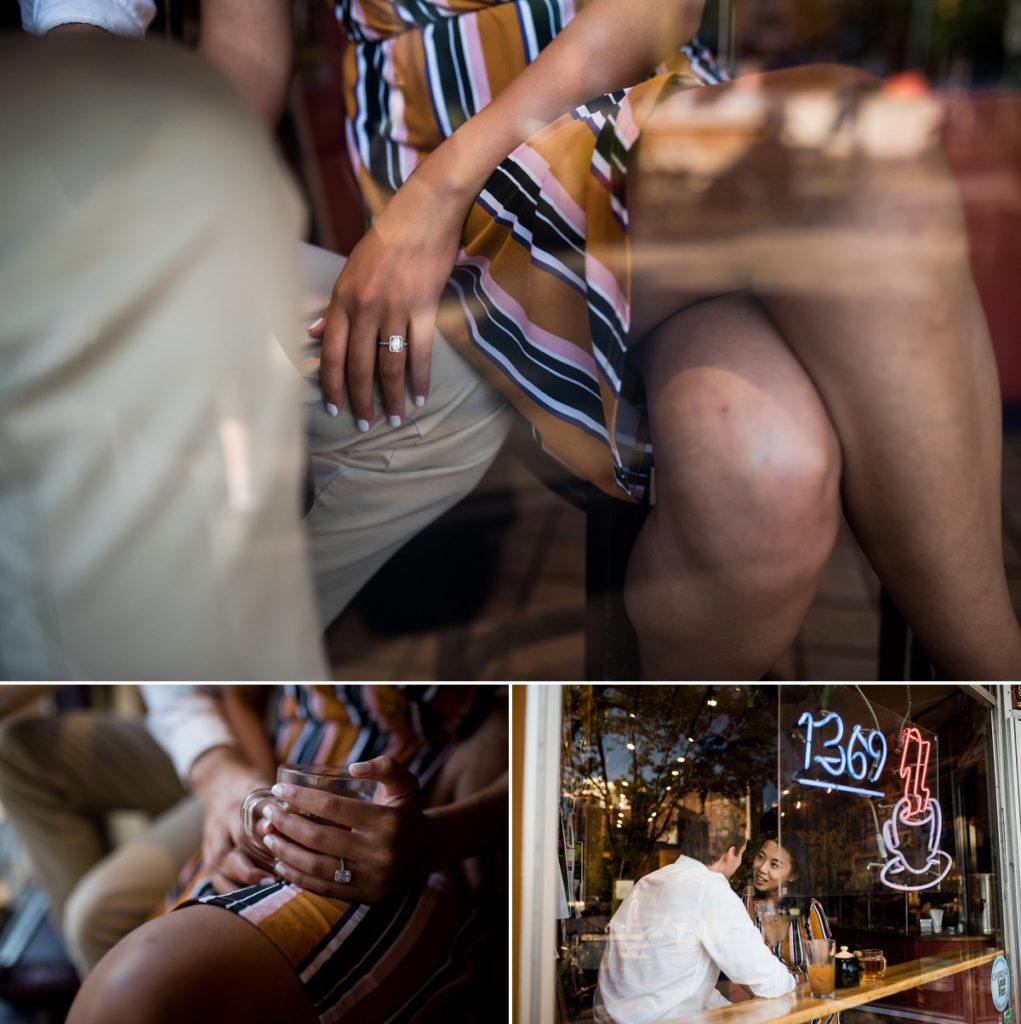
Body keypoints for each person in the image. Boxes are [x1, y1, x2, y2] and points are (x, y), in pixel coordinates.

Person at [311, 0, 1021, 680]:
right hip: (453, 200)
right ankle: (998, 673)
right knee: (851, 142)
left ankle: (664, 752)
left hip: (645, 141)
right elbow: (237, 63)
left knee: (761, 472)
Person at [0, 21, 325, 679]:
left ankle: (226, 642)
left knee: (439, 405)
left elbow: (249, 42)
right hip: (60, 150)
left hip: (162, 153)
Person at [65, 685, 509, 1023]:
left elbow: (559, 728)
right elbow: (239, 693)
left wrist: (440, 838)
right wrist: (252, 799)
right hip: (280, 775)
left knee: (134, 995)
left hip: (417, 820)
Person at [0, 687, 271, 974]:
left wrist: (226, 774)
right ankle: (92, 970)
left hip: (249, 740)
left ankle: (106, 976)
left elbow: (239, 695)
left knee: (94, 917)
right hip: (200, 719)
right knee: (14, 747)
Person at [594, 827, 797, 1023]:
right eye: (742, 854)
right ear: (730, 854)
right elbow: (766, 979)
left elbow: (673, 983)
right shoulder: (710, 889)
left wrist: (727, 1008)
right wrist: (796, 984)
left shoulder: (648, 881)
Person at [744, 832, 832, 985]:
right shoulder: (747, 905)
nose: (762, 868)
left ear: (793, 874)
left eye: (775, 864)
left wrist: (785, 985)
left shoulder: (810, 910)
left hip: (808, 1002)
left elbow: (824, 970)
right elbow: (741, 966)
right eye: (761, 857)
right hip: (766, 1002)